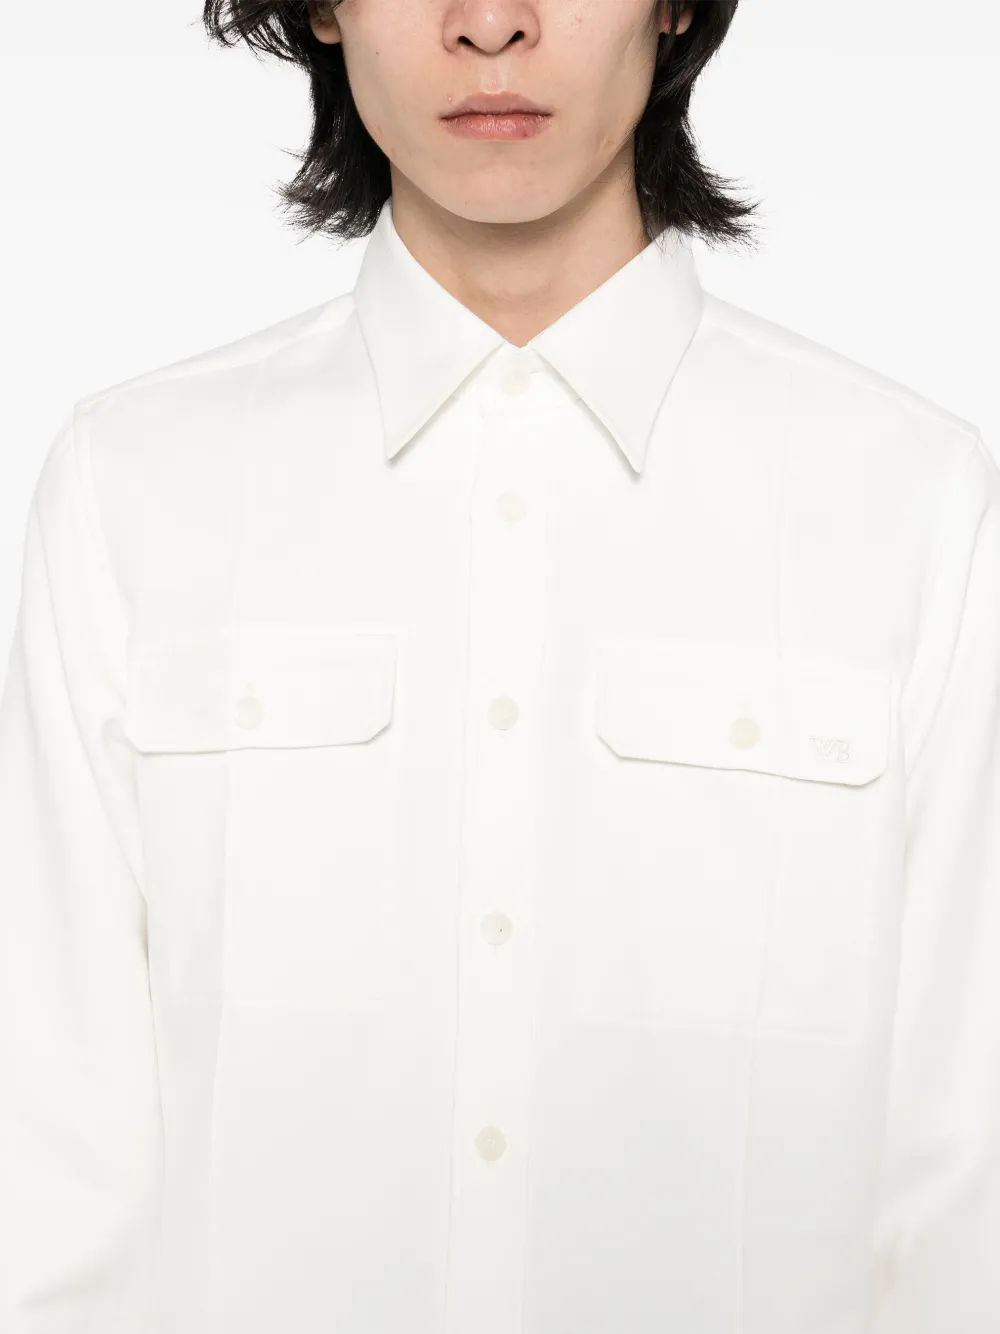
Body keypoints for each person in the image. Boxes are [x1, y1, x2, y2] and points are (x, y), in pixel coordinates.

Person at [0, 2, 996, 1331]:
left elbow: (959, 1184)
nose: (489, 26)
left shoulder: (910, 503)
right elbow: (54, 1164)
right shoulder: (133, 488)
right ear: (325, 8)